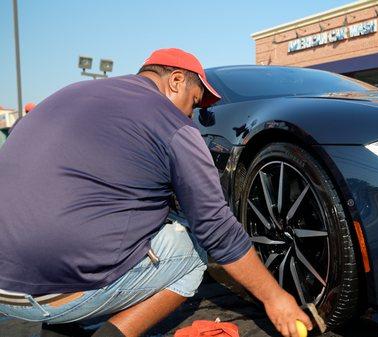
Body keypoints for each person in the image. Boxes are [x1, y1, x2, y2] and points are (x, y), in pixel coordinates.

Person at [0, 48, 311, 337]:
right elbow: (216, 227)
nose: (191, 117)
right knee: (195, 250)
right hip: (52, 295)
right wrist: (275, 298)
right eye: (193, 102)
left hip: (4, 288)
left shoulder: (68, 95)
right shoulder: (169, 121)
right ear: (175, 81)